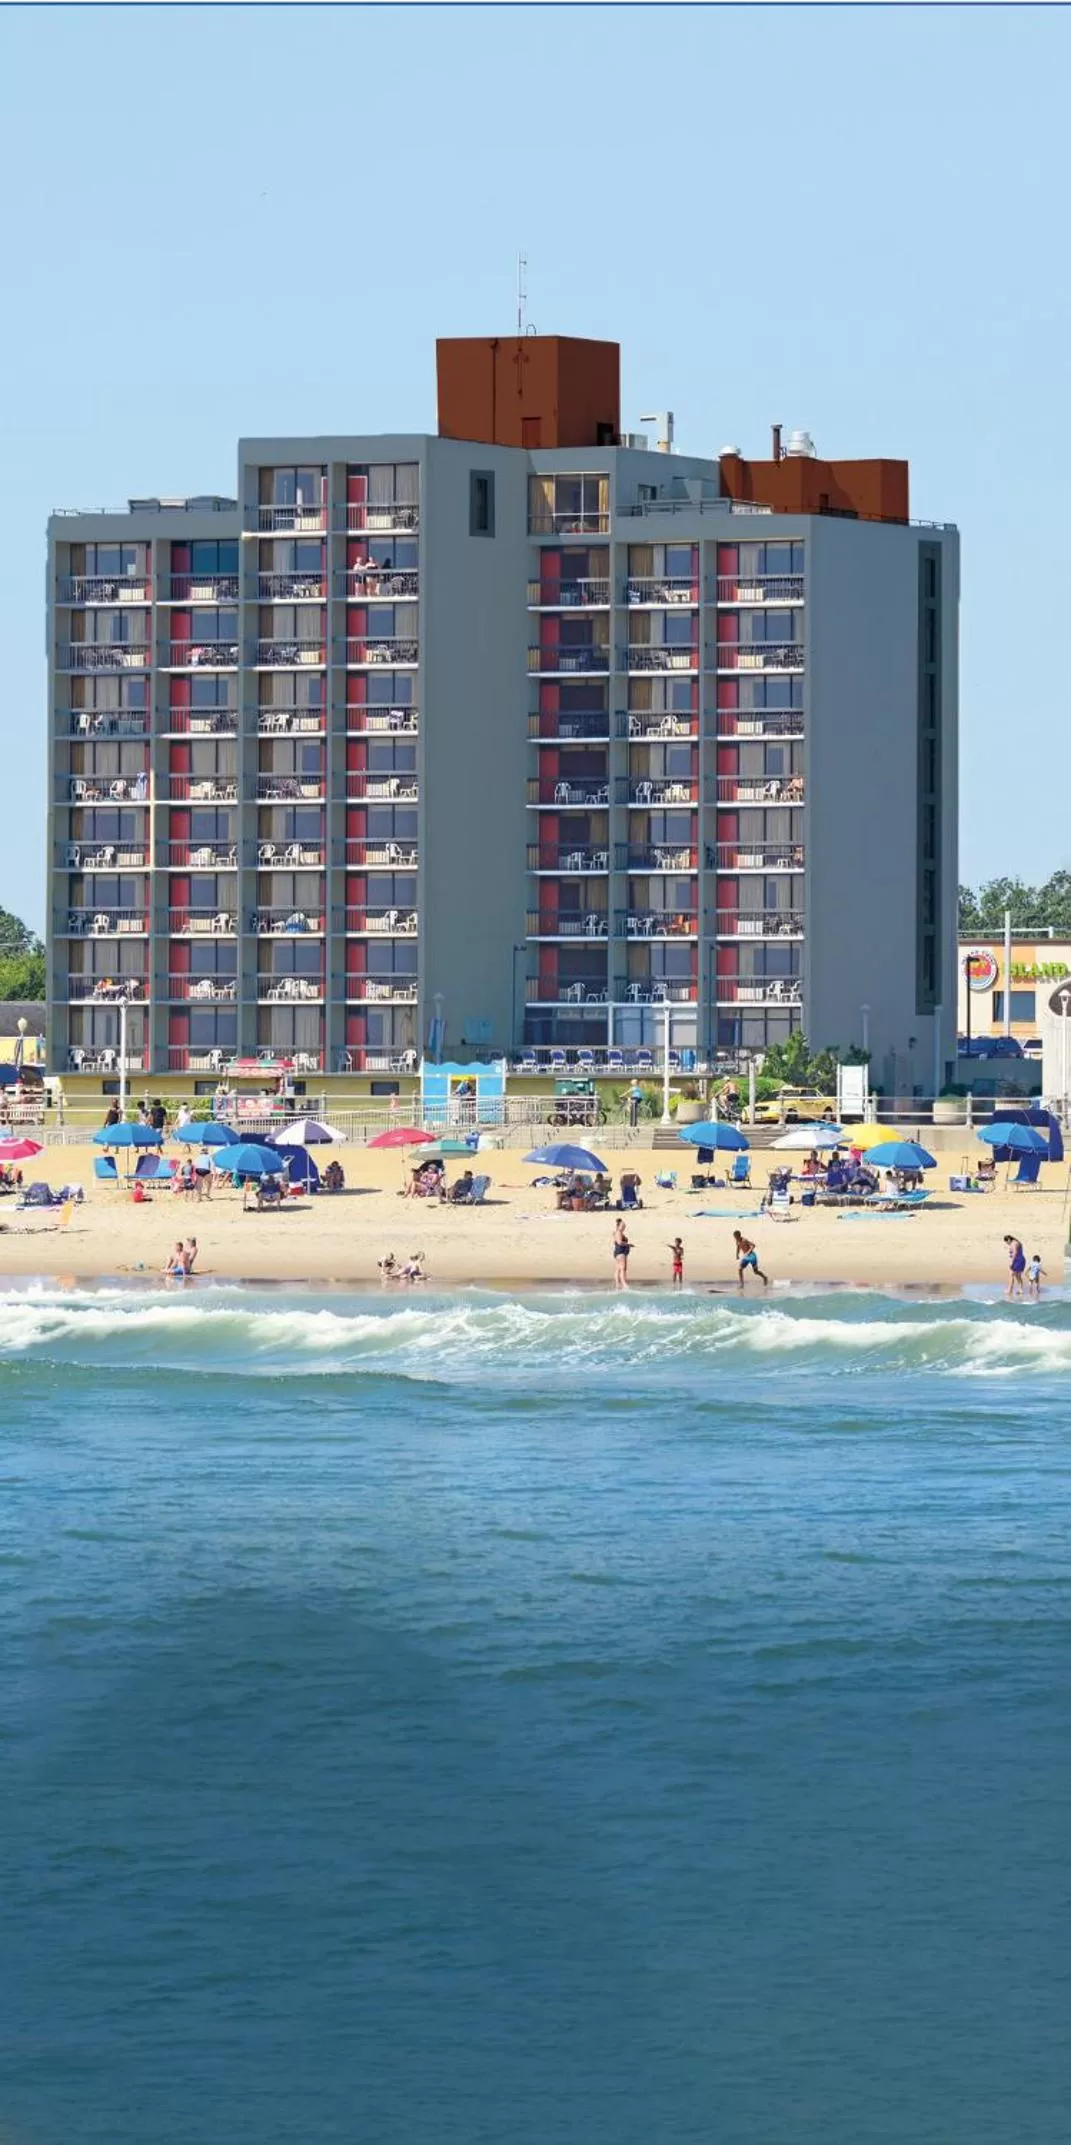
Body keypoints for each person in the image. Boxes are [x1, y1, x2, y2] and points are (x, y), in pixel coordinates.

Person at [1003, 1234, 1026, 1299]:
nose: (1007, 1243)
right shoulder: (1017, 1242)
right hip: (1021, 1260)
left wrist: (1012, 1263)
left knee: (1011, 1275)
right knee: (1018, 1276)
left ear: (1009, 1239)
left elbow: (1015, 1253)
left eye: (1007, 1242)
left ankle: (1009, 1290)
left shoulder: (1013, 1243)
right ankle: (1020, 1290)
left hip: (1017, 1260)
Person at [612, 1217, 631, 1289]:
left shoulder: (617, 1232)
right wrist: (628, 1245)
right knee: (623, 1268)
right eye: (623, 1225)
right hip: (621, 1252)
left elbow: (615, 1241)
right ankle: (624, 1284)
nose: (624, 1227)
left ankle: (618, 1285)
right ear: (619, 1226)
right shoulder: (618, 1232)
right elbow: (619, 1242)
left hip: (619, 1251)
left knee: (618, 1268)